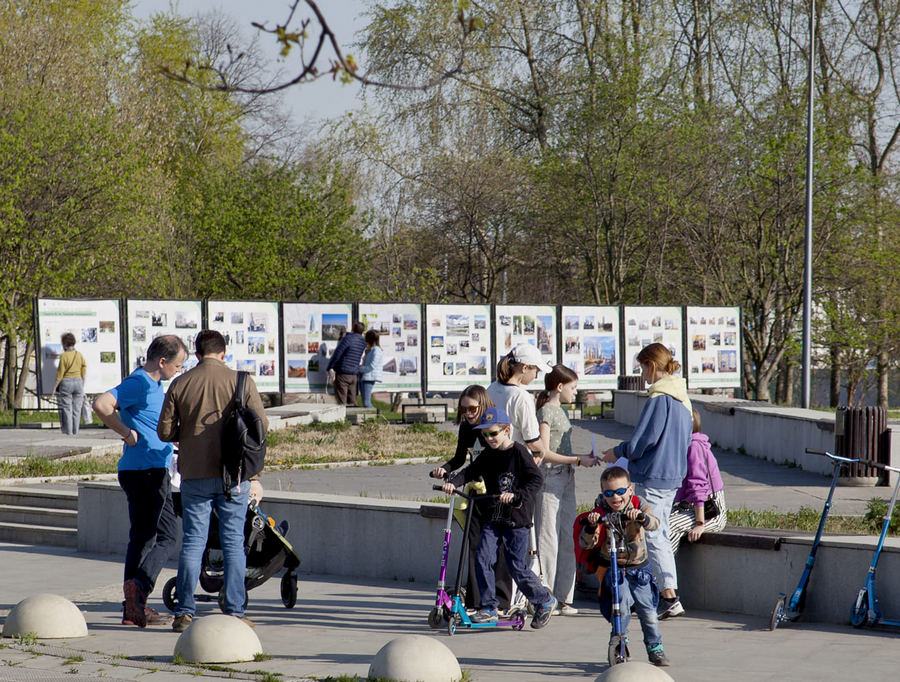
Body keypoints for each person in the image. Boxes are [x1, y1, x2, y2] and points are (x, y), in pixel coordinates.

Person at [157, 330, 268, 633]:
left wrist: (188, 434)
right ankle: (234, 611)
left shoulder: (181, 382)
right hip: (234, 474)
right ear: (223, 353)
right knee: (233, 542)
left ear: (196, 354)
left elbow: (164, 431)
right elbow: (261, 425)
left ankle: (184, 612)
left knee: (194, 542)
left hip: (194, 473)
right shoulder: (241, 381)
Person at [92, 335, 187, 628]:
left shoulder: (153, 385)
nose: (179, 370)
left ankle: (133, 606)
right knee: (154, 537)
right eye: (178, 365)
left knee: (154, 537)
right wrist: (126, 433)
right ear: (162, 361)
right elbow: (102, 404)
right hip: (144, 471)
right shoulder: (140, 383)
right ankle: (137, 595)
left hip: (153, 469)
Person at [441, 406, 557, 629]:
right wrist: (453, 484)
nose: (489, 438)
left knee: (516, 566)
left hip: (516, 518)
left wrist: (516, 495)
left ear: (507, 430)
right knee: (482, 557)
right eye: (485, 435)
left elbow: (536, 479)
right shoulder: (488, 454)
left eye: (493, 433)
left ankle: (544, 599)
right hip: (494, 516)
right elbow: (470, 471)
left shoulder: (519, 452)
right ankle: (489, 607)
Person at [601, 342, 691, 620]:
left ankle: (669, 597)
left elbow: (643, 441)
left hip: (653, 475)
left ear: (651, 365)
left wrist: (619, 451)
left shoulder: (659, 398)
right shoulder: (682, 398)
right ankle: (663, 593)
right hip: (672, 475)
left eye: (642, 368)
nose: (642, 375)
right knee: (658, 533)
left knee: (653, 535)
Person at [430, 385, 512, 610]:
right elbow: (459, 458)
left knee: (500, 547)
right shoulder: (467, 427)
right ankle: (477, 601)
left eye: (472, 408)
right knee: (475, 546)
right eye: (463, 409)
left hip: (498, 493)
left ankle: (502, 601)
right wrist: (444, 469)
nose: (467, 413)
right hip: (477, 493)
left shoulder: (493, 425)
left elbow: (504, 456)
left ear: (483, 405)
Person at [578, 466, 670, 667]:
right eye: (609, 493)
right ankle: (620, 641)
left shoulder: (638, 504)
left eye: (620, 491)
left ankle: (654, 646)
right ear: (603, 493)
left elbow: (655, 524)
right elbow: (586, 543)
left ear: (630, 489)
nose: (615, 497)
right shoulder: (600, 511)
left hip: (639, 568)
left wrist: (641, 518)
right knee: (620, 606)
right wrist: (592, 526)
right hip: (615, 569)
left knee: (648, 611)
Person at [534, 364, 597, 616]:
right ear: (559, 387)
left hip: (566, 478)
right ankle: (546, 596)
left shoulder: (560, 410)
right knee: (547, 538)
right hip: (550, 479)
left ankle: (563, 597)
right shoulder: (546, 411)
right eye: (573, 387)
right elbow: (544, 453)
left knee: (567, 537)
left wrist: (580, 459)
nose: (576, 392)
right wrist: (578, 459)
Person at [669, 409, 727, 554]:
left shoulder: (694, 447)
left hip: (711, 511)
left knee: (669, 527)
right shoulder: (683, 446)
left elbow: (698, 487)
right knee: (655, 525)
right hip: (689, 508)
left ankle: (662, 568)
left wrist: (700, 523)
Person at [487, 344, 553, 461]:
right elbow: (532, 440)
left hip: (491, 456)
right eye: (536, 371)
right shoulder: (522, 396)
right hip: (513, 459)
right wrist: (542, 451)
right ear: (524, 368)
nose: (536, 376)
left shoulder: (491, 388)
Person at [52, 332, 86, 435]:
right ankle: (76, 431)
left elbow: (60, 372)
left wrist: (55, 387)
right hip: (78, 381)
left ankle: (69, 432)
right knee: (77, 409)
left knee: (67, 409)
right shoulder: (79, 354)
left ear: (64, 344)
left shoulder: (64, 356)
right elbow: (84, 367)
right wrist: (82, 380)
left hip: (66, 382)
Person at [327, 321, 366, 405]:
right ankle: (354, 413)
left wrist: (329, 367)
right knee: (352, 400)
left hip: (343, 373)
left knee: (342, 401)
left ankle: (343, 414)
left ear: (353, 329)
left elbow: (337, 354)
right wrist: (348, 334)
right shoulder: (363, 342)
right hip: (354, 374)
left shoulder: (347, 339)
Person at [358, 330, 383, 408]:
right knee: (364, 402)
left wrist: (359, 368)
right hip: (365, 376)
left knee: (367, 403)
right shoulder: (371, 350)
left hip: (369, 377)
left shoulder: (377, 350)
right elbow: (366, 363)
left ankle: (377, 414)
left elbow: (372, 366)